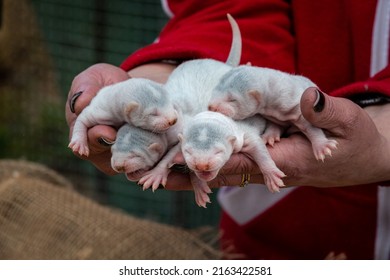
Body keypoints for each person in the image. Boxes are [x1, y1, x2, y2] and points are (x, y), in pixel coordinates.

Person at [66, 0, 390, 259]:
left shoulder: (239, 130)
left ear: (232, 140)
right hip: (269, 247)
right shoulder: (189, 132)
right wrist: (160, 71)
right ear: (181, 139)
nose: (203, 166)